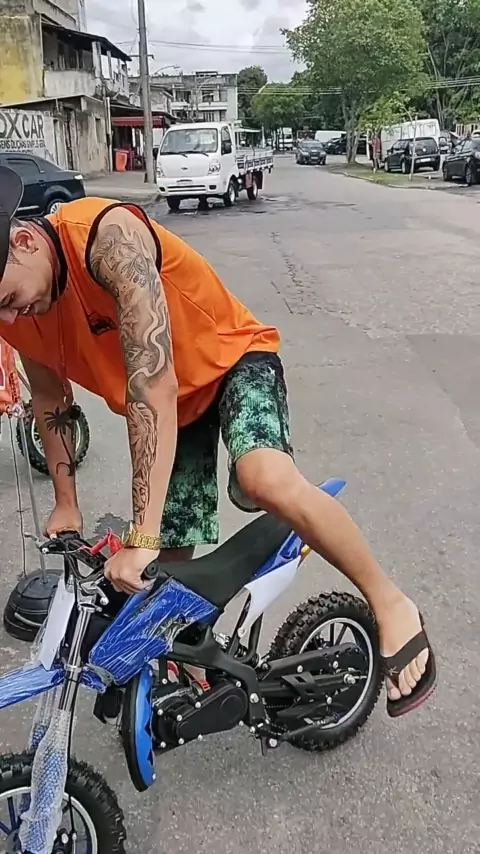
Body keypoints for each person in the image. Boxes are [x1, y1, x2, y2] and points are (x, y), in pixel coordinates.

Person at [0, 165, 436, 718]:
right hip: (177, 408)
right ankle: (200, 664)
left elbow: (151, 384)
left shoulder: (107, 238)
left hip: (230, 363)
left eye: (8, 297)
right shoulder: (15, 309)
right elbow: (50, 400)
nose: (9, 316)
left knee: (263, 477)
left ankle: (391, 604)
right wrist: (66, 504)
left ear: (24, 241)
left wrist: (140, 533)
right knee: (164, 577)